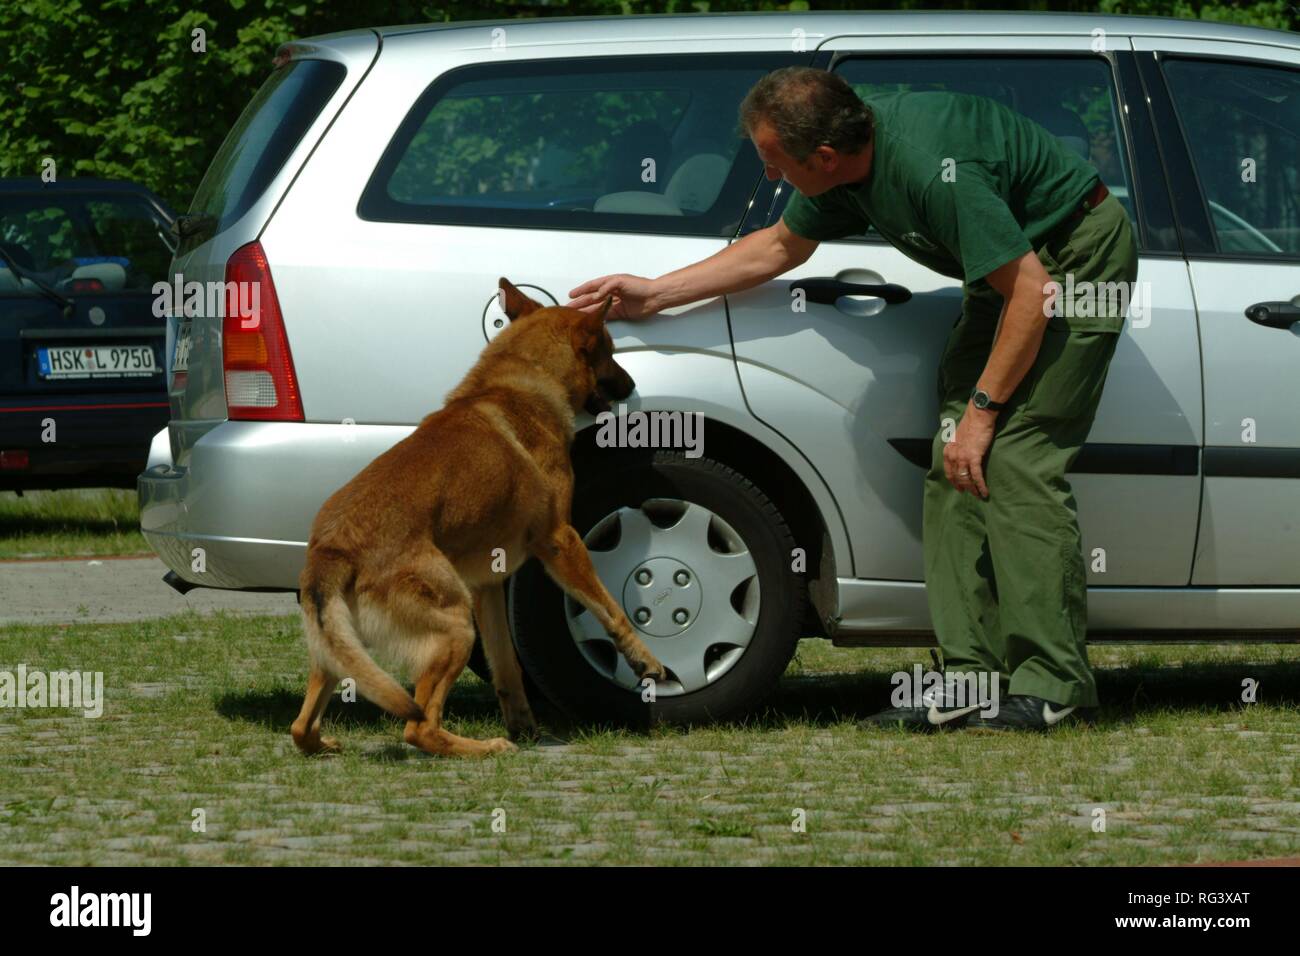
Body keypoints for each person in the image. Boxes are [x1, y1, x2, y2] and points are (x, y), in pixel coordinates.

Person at [567, 67, 1138, 732]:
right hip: (1009, 275)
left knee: (1013, 460)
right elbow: (780, 246)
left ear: (826, 158)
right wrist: (656, 293)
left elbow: (1035, 293)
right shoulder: (846, 165)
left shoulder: (929, 169)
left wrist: (982, 413)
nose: (773, 178)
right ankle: (968, 681)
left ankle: (1054, 686)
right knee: (954, 463)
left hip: (1070, 263)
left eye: (773, 163)